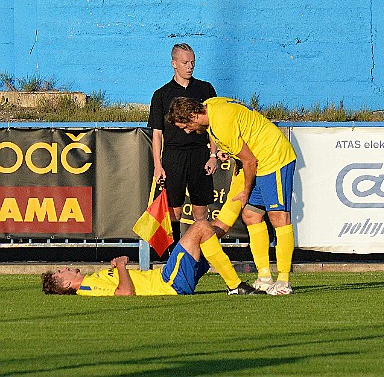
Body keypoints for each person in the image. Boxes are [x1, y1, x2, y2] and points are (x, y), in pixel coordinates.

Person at [168, 96, 297, 295]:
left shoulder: (221, 125)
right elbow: (226, 131)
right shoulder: (211, 105)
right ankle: (264, 276)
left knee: (279, 217)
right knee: (251, 215)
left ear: (193, 116)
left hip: (273, 158)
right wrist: (223, 149)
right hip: (259, 161)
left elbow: (249, 161)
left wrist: (246, 190)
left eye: (185, 126)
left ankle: (283, 280)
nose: (186, 131)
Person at [42, 220, 264, 296]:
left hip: (171, 281)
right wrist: (120, 266)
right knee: (200, 227)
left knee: (216, 228)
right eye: (61, 272)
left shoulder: (92, 280)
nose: (65, 268)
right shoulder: (87, 289)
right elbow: (125, 293)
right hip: (168, 282)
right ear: (67, 283)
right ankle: (235, 285)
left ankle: (244, 192)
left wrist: (117, 268)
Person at [148, 43, 218, 247]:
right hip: (173, 156)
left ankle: (202, 253)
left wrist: (213, 155)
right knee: (174, 210)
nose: (189, 66)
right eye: (185, 62)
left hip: (199, 154)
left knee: (200, 211)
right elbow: (157, 133)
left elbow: (213, 125)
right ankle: (174, 254)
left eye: (192, 62)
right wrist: (158, 165)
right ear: (174, 64)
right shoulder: (161, 94)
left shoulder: (205, 89)